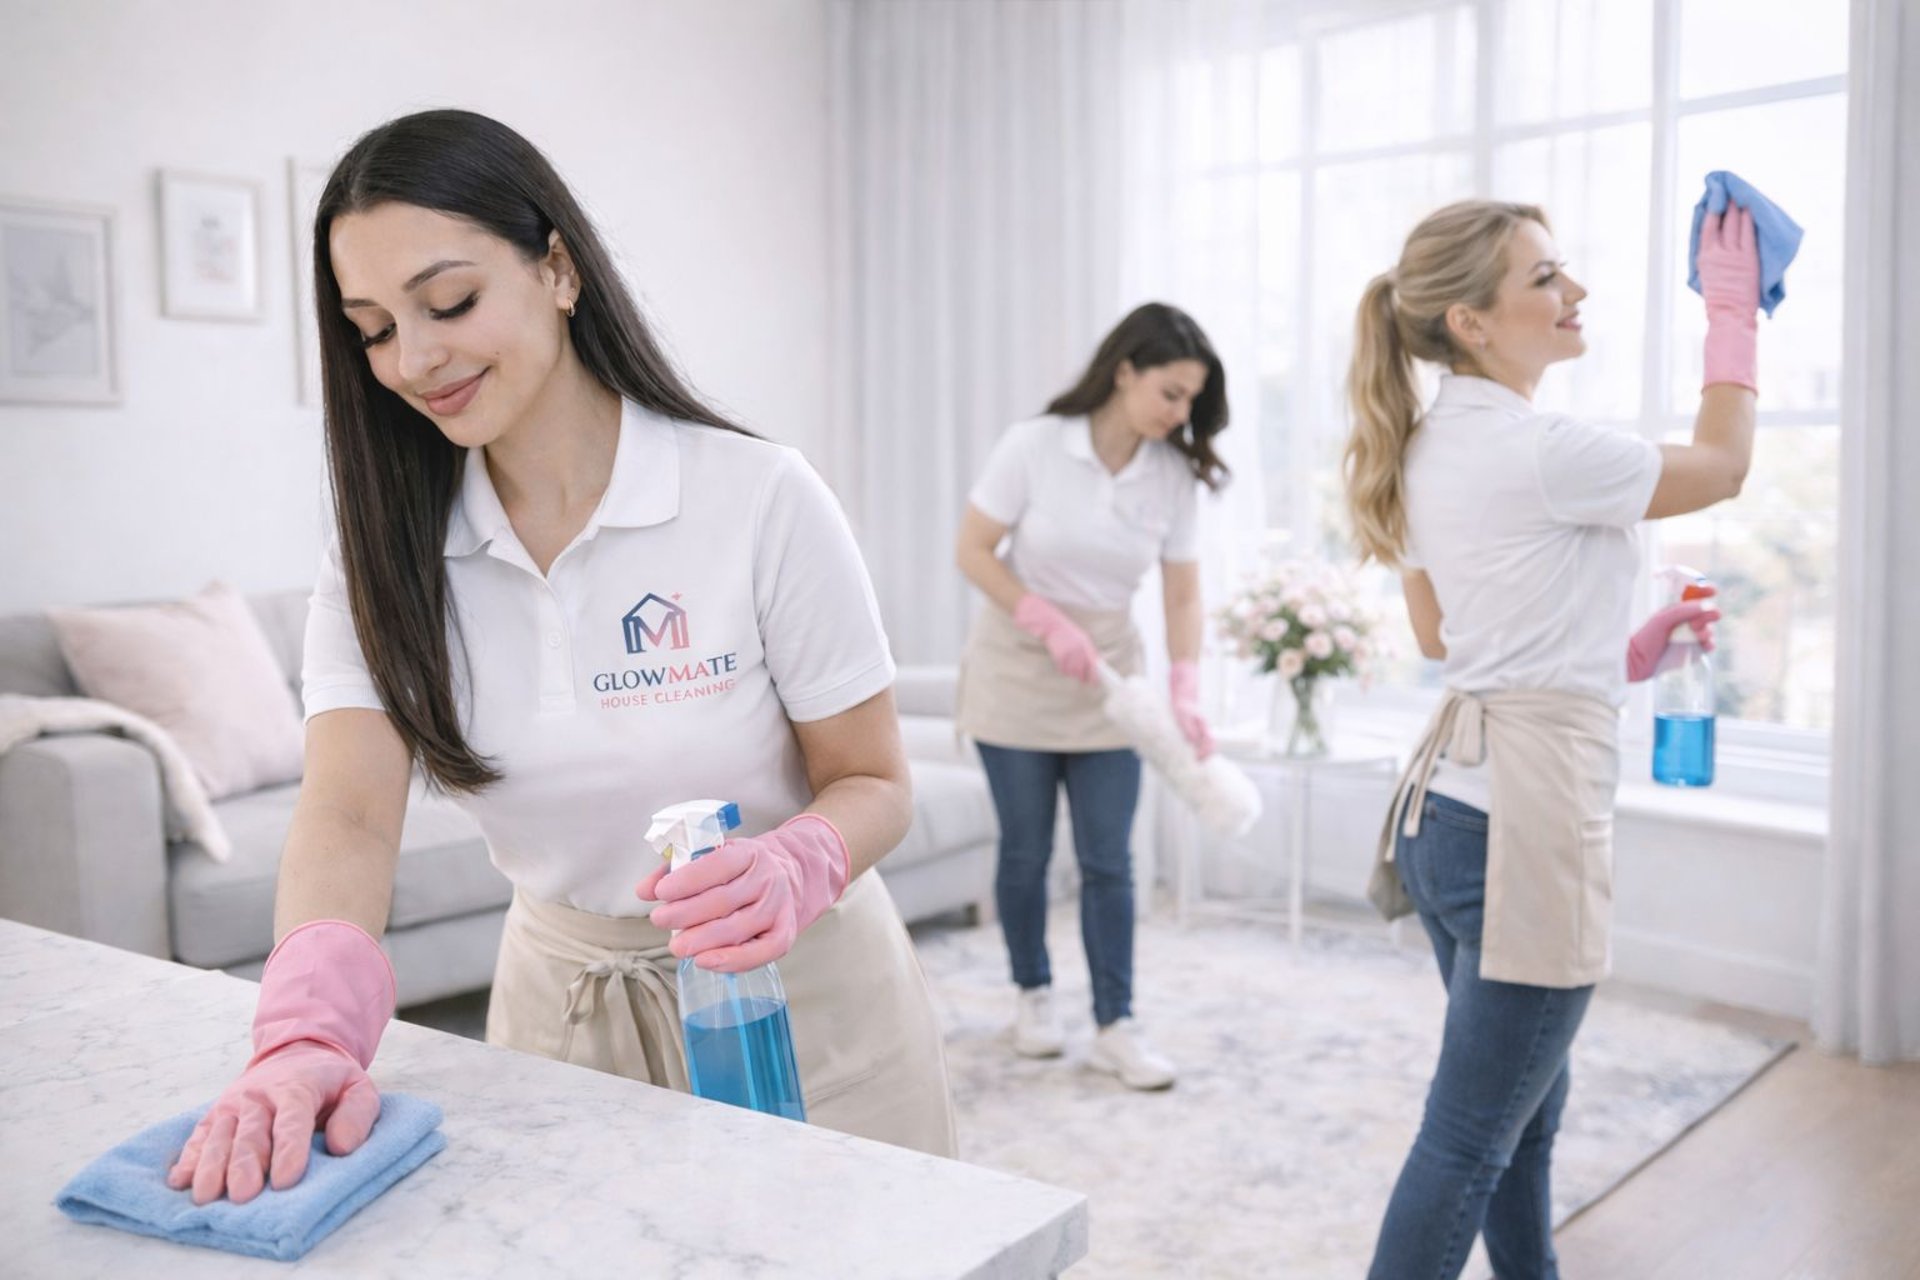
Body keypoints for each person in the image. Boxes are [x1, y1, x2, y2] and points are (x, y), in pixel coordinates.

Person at [166, 109, 955, 1206]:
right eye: (373, 327)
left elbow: (873, 779)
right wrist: (304, 1027)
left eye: (448, 302)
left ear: (559, 268)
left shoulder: (757, 497)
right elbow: (347, 812)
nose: (414, 356)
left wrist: (800, 858)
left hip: (797, 1004)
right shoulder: (385, 550)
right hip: (562, 1015)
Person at [1345, 199, 1757, 1278]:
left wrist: (1622, 656)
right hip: (1524, 819)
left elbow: (1451, 633)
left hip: (1448, 809)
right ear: (1472, 322)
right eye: (1546, 276)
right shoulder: (1538, 448)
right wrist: (1733, 310)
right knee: (1471, 1133)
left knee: (1521, 1110)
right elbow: (1723, 465)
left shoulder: (1426, 443)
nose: (1574, 293)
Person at [952, 302, 1230, 1091]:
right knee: (1028, 850)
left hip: (1110, 679)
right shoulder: (1035, 446)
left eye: (1190, 401)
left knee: (1111, 858)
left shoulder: (1172, 475)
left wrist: (1184, 683)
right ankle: (1033, 996)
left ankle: (1117, 1023)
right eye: (1170, 394)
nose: (1180, 414)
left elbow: (1182, 594)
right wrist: (1040, 615)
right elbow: (972, 550)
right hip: (1018, 664)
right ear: (1125, 372)